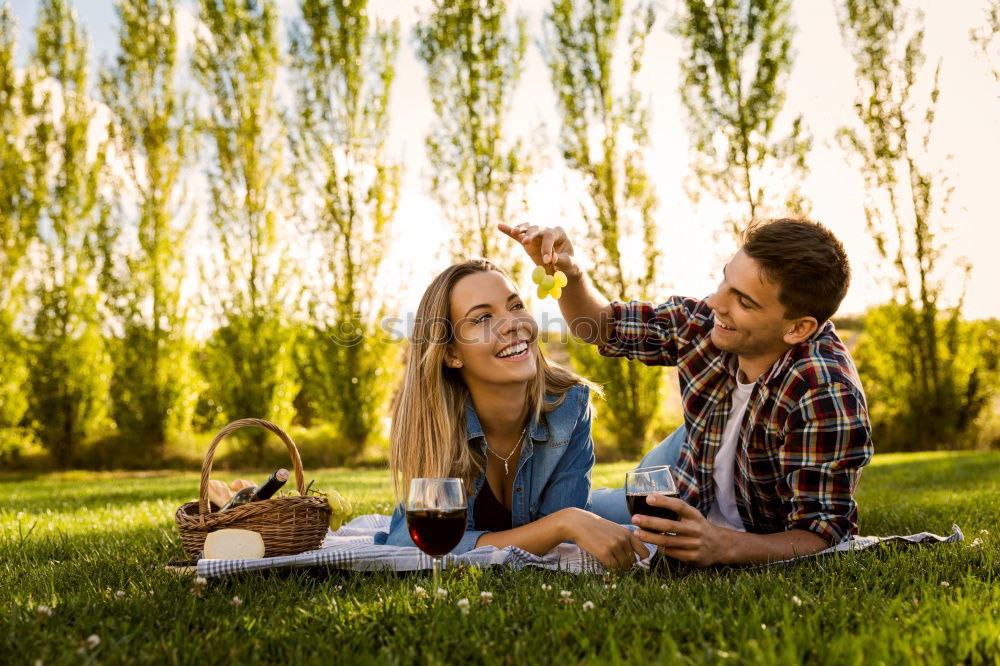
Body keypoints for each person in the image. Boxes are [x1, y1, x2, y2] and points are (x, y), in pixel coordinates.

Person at [499, 218, 875, 567]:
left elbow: (824, 536)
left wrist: (721, 545)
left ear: (797, 328)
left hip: (742, 525)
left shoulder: (823, 391)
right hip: (687, 483)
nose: (716, 303)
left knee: (589, 546)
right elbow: (601, 327)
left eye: (743, 301)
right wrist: (571, 273)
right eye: (725, 282)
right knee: (563, 516)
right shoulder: (705, 325)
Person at [374, 259, 647, 569]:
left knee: (659, 509)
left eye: (516, 306)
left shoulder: (568, 405)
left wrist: (568, 522)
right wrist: (564, 523)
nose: (513, 323)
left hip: (590, 504)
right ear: (451, 353)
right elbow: (410, 542)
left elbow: (568, 535)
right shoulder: (436, 421)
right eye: (483, 318)